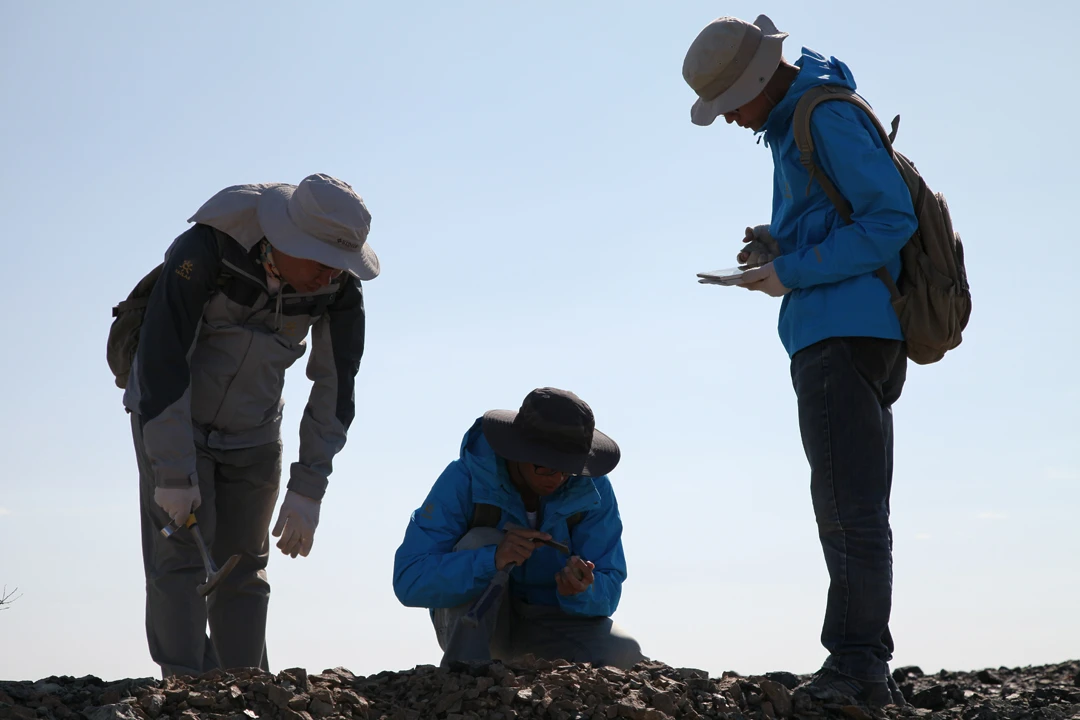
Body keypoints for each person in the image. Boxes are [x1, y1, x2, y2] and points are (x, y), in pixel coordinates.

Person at [682, 15, 917, 706]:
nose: (728, 121)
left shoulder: (822, 116)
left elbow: (889, 220)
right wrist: (776, 242)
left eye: (729, 105)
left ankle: (857, 669)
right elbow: (845, 216)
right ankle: (860, 662)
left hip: (840, 332)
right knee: (855, 504)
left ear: (758, 81)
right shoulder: (803, 118)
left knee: (848, 509)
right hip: (852, 328)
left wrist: (793, 271)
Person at [121, 173, 379, 677]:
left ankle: (248, 691)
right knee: (181, 558)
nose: (331, 276)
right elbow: (162, 362)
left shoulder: (337, 288)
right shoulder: (207, 251)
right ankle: (186, 690)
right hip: (176, 419)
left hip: (256, 433)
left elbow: (336, 389)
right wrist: (173, 471)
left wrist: (308, 487)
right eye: (324, 262)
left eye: (341, 266)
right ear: (286, 241)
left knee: (244, 567)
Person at [392, 387, 645, 669]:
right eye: (546, 467)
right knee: (481, 540)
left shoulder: (592, 490)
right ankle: (466, 681)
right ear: (517, 451)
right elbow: (409, 579)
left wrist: (584, 589)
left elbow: (609, 586)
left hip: (551, 625)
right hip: (478, 625)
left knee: (624, 652)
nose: (558, 478)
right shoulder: (464, 479)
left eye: (568, 468)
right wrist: (492, 559)